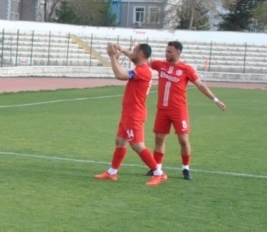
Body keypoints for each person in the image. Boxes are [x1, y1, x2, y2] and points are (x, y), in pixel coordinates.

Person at [149, 41, 227, 180]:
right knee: (159, 139)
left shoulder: (186, 69)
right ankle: (157, 168)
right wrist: (122, 52)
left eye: (170, 52)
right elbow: (141, 61)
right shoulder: (160, 65)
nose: (166, 54)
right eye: (166, 51)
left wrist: (215, 100)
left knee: (183, 140)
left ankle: (185, 168)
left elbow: (200, 85)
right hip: (162, 110)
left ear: (178, 52)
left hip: (179, 110)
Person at [95, 43, 167, 186]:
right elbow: (133, 58)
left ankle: (159, 174)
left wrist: (113, 57)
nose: (131, 53)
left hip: (134, 114)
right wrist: (122, 50)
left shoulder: (143, 70)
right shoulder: (142, 68)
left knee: (137, 145)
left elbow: (120, 75)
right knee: (120, 141)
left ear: (141, 54)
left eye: (134, 50)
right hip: (128, 113)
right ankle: (112, 172)